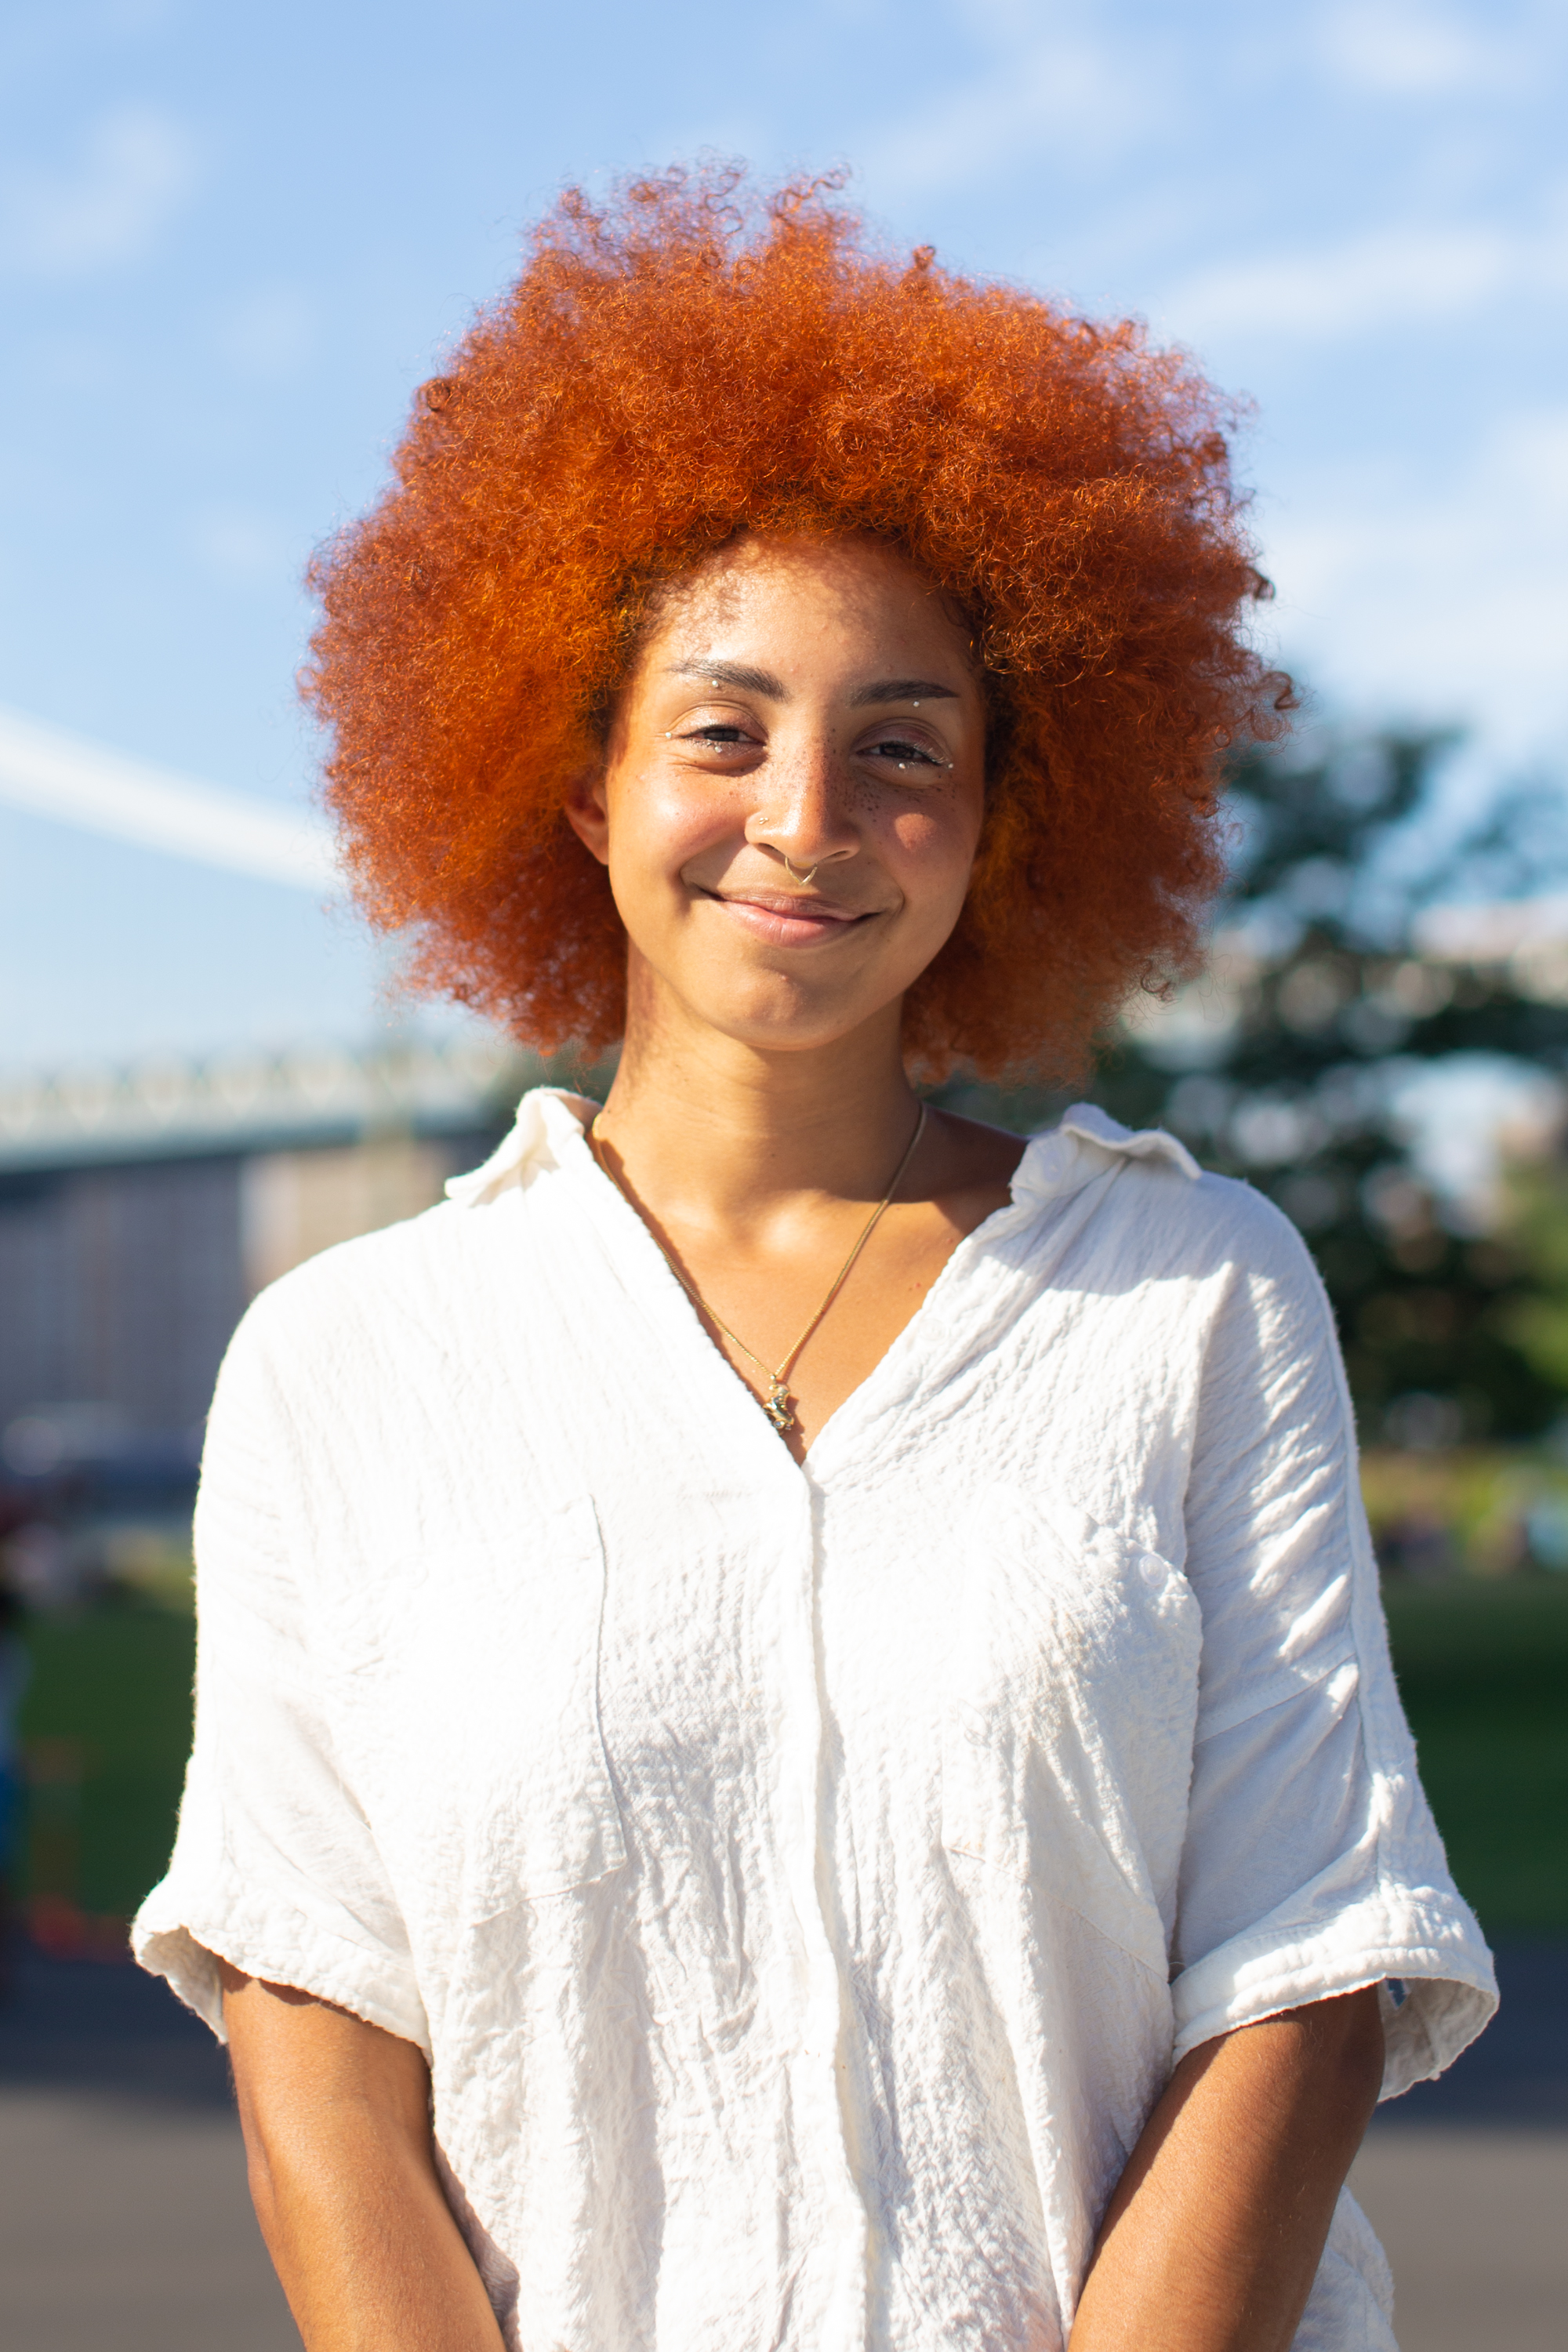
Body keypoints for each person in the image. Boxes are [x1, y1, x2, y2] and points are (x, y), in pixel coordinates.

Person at [134, 166, 1494, 2352]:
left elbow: (1304, 1973)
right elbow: (316, 2027)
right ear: (577, 789)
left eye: (902, 749)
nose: (803, 818)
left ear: (999, 820)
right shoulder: (347, 1362)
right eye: (721, 728)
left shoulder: (1197, 1294)